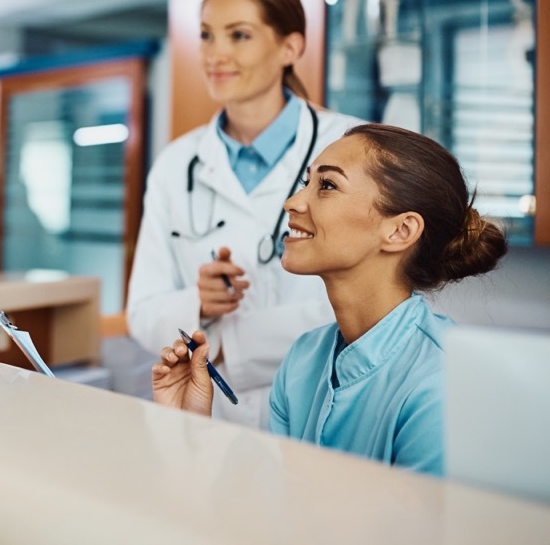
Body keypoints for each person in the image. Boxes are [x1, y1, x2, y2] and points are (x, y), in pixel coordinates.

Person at [151, 124, 508, 476]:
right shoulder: (303, 360)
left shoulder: (442, 383)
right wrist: (188, 429)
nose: (292, 202)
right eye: (307, 182)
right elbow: (281, 517)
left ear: (400, 230)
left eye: (327, 185)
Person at [126, 0, 360, 427]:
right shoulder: (177, 163)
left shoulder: (352, 147)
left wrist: (233, 341)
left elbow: (371, 301)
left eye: (239, 35)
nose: (216, 54)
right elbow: (141, 313)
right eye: (207, 36)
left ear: (290, 48)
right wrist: (198, 301)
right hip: (208, 418)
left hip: (320, 412)